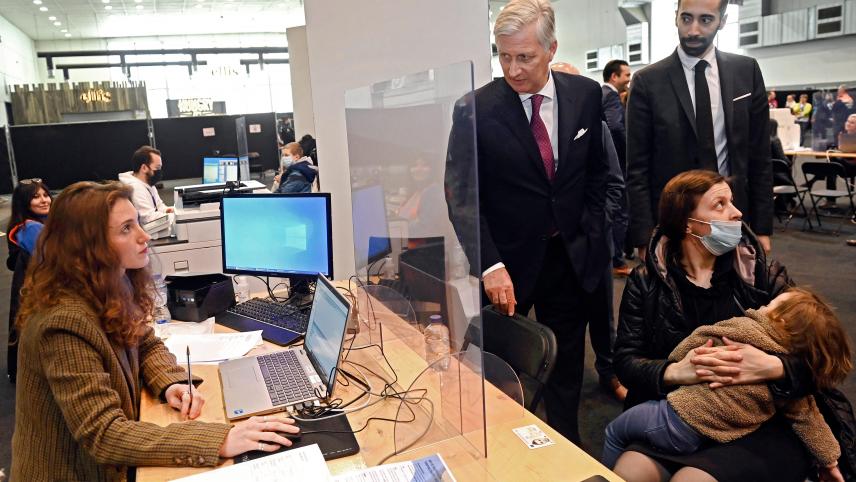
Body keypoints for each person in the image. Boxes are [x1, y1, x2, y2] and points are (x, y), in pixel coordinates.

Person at [11, 181, 300, 480]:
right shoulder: (63, 322)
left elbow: (145, 342)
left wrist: (170, 383)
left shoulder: (110, 284)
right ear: (87, 247)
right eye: (126, 229)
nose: (144, 236)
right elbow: (105, 434)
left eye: (137, 222)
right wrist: (220, 439)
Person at [446, 0, 608, 443]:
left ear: (551, 48)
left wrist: (595, 232)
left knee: (568, 371)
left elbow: (598, 174)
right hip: (505, 264)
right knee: (497, 375)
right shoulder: (473, 109)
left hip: (570, 259)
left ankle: (568, 451)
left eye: (525, 57)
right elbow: (461, 196)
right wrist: (490, 265)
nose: (513, 69)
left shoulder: (586, 95)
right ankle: (498, 454)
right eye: (504, 56)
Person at [614, 170, 817, 482]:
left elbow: (819, 357)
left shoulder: (763, 275)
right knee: (629, 472)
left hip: (756, 416)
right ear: (687, 223)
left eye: (731, 201)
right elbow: (626, 361)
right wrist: (675, 371)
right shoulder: (646, 282)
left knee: (691, 480)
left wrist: (772, 367)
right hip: (682, 413)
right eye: (720, 205)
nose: (736, 212)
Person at [604, 287, 850, 482]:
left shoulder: (744, 325)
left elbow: (699, 337)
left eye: (770, 305)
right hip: (723, 429)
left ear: (782, 322)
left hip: (680, 417)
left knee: (614, 432)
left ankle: (599, 470)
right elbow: (809, 417)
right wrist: (829, 460)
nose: (762, 305)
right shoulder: (647, 279)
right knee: (633, 468)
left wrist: (778, 367)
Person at [626, 0, 774, 259]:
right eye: (686, 18)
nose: (693, 30)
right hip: (674, 222)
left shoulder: (746, 71)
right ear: (675, 17)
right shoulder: (647, 81)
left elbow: (759, 157)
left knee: (735, 295)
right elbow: (637, 168)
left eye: (705, 20)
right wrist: (644, 235)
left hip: (733, 215)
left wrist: (761, 228)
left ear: (722, 21)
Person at [550, 61, 629, 401]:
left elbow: (615, 182)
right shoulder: (538, 126)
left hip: (593, 240)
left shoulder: (594, 124)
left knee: (601, 314)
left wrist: (598, 226)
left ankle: (608, 372)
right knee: (560, 321)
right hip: (555, 248)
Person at [5, 178, 52, 383]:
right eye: (36, 197)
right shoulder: (30, 228)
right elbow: (55, 258)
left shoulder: (34, 224)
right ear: (24, 202)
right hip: (41, 292)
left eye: (45, 195)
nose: (44, 200)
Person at [601, 59, 633, 277]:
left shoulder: (599, 94)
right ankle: (617, 261)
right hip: (616, 165)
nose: (629, 80)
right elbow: (615, 127)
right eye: (626, 75)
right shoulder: (611, 96)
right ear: (614, 77)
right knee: (620, 214)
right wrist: (628, 152)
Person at [118, 146, 173, 224]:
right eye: (157, 168)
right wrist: (176, 216)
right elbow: (148, 218)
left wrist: (168, 210)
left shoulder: (149, 182)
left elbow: (159, 206)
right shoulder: (135, 188)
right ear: (144, 168)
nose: (159, 171)